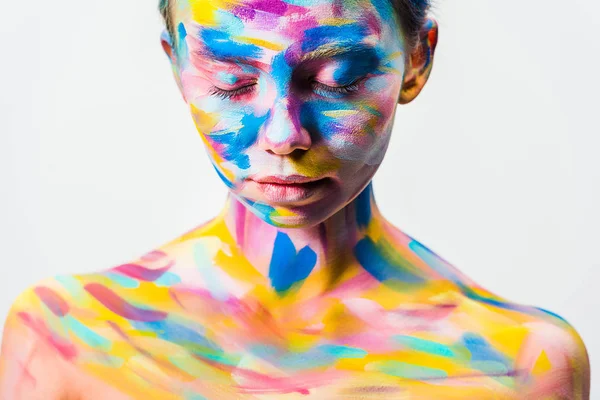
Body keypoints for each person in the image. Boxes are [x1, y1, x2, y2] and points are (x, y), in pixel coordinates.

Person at [0, 0, 591, 398]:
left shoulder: (519, 365)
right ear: (176, 63)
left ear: (417, 59)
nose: (283, 134)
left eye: (338, 78)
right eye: (233, 78)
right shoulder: (66, 338)